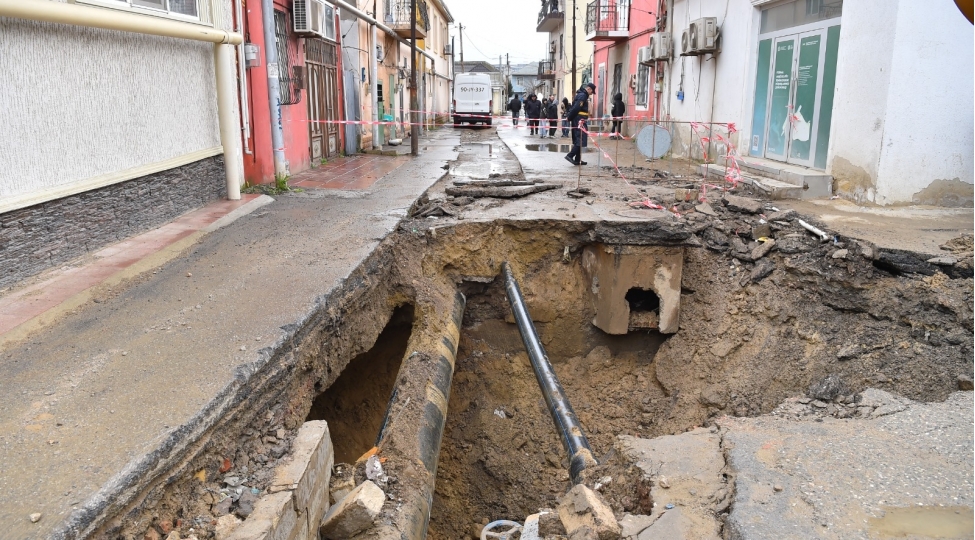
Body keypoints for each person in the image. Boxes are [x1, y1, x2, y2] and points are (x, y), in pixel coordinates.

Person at [565, 83, 595, 166]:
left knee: (580, 139)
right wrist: (569, 117)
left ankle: (578, 159)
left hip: (580, 119)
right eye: (592, 91)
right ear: (588, 89)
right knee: (580, 139)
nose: (592, 93)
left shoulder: (583, 95)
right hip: (579, 119)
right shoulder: (583, 96)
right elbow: (576, 108)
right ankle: (570, 155)